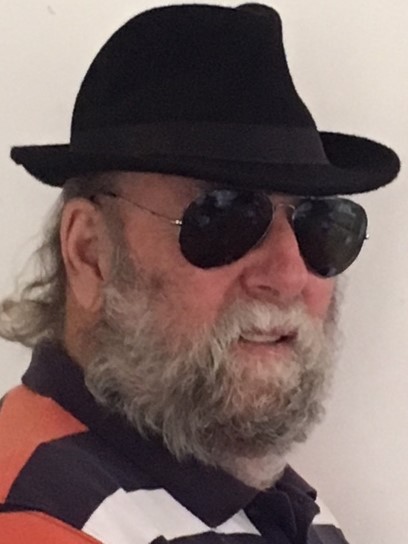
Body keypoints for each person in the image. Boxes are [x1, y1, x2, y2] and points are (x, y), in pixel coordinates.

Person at [0, 3, 400, 544]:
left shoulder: (246, 491)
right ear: (90, 252)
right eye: (225, 217)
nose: (288, 275)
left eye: (320, 223)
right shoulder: (38, 521)